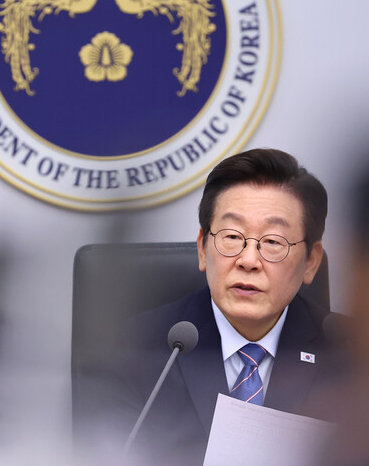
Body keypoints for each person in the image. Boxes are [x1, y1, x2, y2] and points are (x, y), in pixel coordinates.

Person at [92, 148, 346, 465]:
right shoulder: (135, 349)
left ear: (311, 262)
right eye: (232, 236)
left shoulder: (355, 353)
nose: (248, 260)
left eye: (272, 241)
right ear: (202, 248)